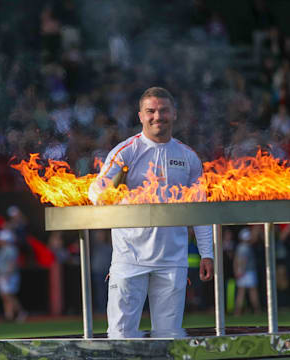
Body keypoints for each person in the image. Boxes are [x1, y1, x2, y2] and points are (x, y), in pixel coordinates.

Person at [88, 87, 214, 338]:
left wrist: (206, 253)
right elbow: (95, 194)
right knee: (121, 337)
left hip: (172, 262)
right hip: (129, 259)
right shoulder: (126, 151)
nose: (158, 116)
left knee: (169, 338)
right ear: (140, 116)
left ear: (174, 114)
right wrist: (112, 188)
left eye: (163, 110)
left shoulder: (188, 157)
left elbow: (200, 209)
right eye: (151, 111)